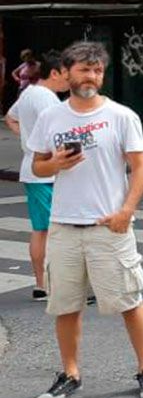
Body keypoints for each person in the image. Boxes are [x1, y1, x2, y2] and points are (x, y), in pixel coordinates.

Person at [27, 41, 143, 398]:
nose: (91, 76)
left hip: (109, 226)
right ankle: (70, 374)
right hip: (64, 226)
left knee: (129, 300)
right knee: (65, 305)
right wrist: (53, 164)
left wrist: (126, 212)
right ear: (67, 71)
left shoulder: (122, 116)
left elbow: (140, 166)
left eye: (97, 70)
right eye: (84, 69)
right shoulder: (51, 117)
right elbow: (36, 166)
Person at [4, 50, 69, 299]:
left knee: (40, 229)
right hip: (48, 172)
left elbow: (10, 118)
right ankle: (57, 284)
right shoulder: (48, 100)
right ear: (54, 73)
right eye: (66, 74)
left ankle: (41, 283)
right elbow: (58, 136)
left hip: (32, 169)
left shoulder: (28, 93)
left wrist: (27, 141)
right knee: (59, 229)